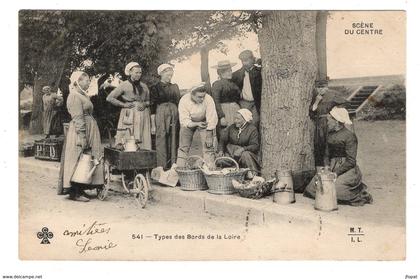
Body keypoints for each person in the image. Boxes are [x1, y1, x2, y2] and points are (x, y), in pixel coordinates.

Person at [303, 107, 373, 206]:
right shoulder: (330, 135)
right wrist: (326, 167)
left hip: (347, 168)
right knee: (312, 189)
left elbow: (351, 161)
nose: (327, 123)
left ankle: (361, 193)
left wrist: (336, 173)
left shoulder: (350, 136)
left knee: (335, 190)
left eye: (329, 121)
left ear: (336, 122)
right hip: (332, 165)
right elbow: (327, 154)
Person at [62, 71, 104, 202]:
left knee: (88, 157)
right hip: (80, 130)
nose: (88, 83)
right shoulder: (74, 96)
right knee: (78, 156)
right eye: (86, 81)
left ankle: (83, 186)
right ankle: (74, 191)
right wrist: (82, 136)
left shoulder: (83, 95)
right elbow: (78, 118)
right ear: (77, 82)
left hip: (89, 128)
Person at [106, 62, 152, 150]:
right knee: (129, 136)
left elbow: (149, 100)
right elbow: (110, 98)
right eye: (136, 72)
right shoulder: (124, 84)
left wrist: (145, 104)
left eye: (140, 73)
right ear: (130, 72)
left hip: (143, 115)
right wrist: (123, 104)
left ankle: (143, 156)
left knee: (143, 136)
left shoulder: (144, 86)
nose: (139, 74)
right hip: (130, 114)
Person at [176, 82, 218, 168]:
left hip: (204, 121)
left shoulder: (208, 99)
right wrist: (196, 124)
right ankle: (180, 170)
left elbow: (211, 117)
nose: (202, 99)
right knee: (183, 147)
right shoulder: (184, 100)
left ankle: (209, 170)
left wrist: (209, 136)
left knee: (209, 147)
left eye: (203, 96)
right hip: (189, 122)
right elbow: (185, 121)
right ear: (192, 94)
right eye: (199, 97)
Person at [150, 64, 181, 170]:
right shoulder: (155, 88)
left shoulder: (175, 87)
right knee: (161, 138)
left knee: (174, 138)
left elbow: (178, 102)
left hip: (174, 113)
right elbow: (152, 107)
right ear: (162, 73)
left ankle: (173, 165)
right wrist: (153, 125)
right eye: (167, 72)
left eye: (171, 72)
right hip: (161, 113)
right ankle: (161, 167)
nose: (170, 75)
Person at [310, 86, 348, 166]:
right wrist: (317, 101)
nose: (320, 89)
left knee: (330, 144)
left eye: (322, 87)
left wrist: (335, 111)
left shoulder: (332, 95)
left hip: (329, 122)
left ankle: (332, 164)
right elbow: (312, 112)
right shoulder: (315, 97)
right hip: (319, 124)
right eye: (318, 87)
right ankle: (321, 166)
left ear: (326, 87)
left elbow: (346, 103)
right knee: (319, 145)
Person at [217, 108, 260, 173]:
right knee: (219, 160)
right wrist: (220, 150)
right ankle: (233, 173)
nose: (235, 121)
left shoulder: (252, 129)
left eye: (238, 119)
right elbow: (222, 140)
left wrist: (243, 149)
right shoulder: (231, 127)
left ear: (245, 119)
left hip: (245, 155)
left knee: (245, 155)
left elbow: (255, 145)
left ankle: (253, 174)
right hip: (232, 153)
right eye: (235, 118)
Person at [231, 50, 262, 128]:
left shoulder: (259, 72)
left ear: (252, 59)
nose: (244, 63)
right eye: (242, 61)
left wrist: (258, 61)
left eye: (246, 60)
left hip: (256, 102)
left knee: (255, 121)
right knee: (244, 122)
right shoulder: (237, 74)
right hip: (244, 102)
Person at [211, 60, 241, 137]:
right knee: (225, 132)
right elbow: (216, 101)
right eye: (227, 71)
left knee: (237, 131)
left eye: (230, 71)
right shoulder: (217, 84)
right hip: (224, 110)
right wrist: (221, 117)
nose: (230, 73)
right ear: (221, 73)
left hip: (235, 109)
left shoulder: (233, 84)